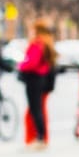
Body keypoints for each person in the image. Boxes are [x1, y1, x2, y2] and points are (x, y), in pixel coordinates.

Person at [17, 21, 56, 149]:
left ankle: (39, 137)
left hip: (34, 79)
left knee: (35, 109)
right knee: (39, 109)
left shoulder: (37, 44)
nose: (30, 33)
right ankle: (40, 137)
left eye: (32, 30)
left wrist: (21, 65)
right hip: (42, 80)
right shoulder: (46, 43)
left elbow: (32, 63)